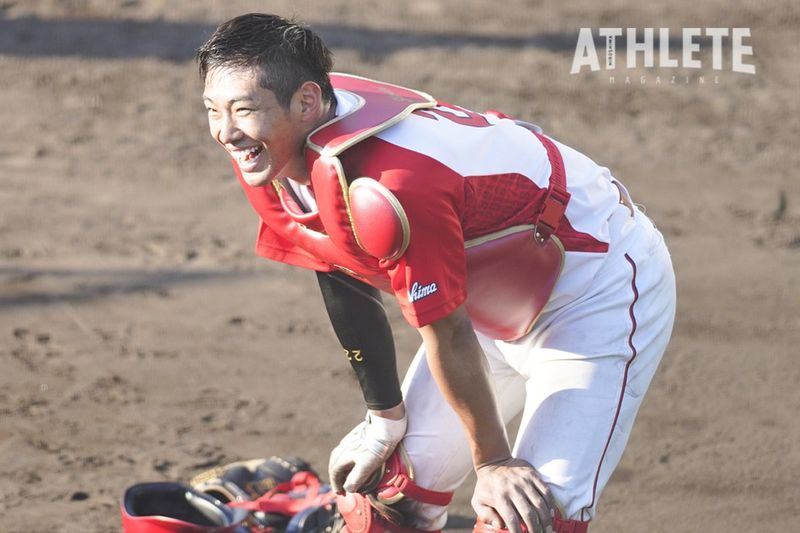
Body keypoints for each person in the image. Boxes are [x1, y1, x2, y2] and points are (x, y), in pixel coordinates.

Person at [196, 13, 676, 533]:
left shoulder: (390, 188)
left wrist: (493, 463)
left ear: (307, 101)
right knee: (387, 502)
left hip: (592, 291)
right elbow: (336, 265)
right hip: (489, 302)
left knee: (528, 517)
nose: (226, 132)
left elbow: (447, 328)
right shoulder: (276, 149)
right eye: (212, 111)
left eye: (243, 111)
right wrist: (385, 418)